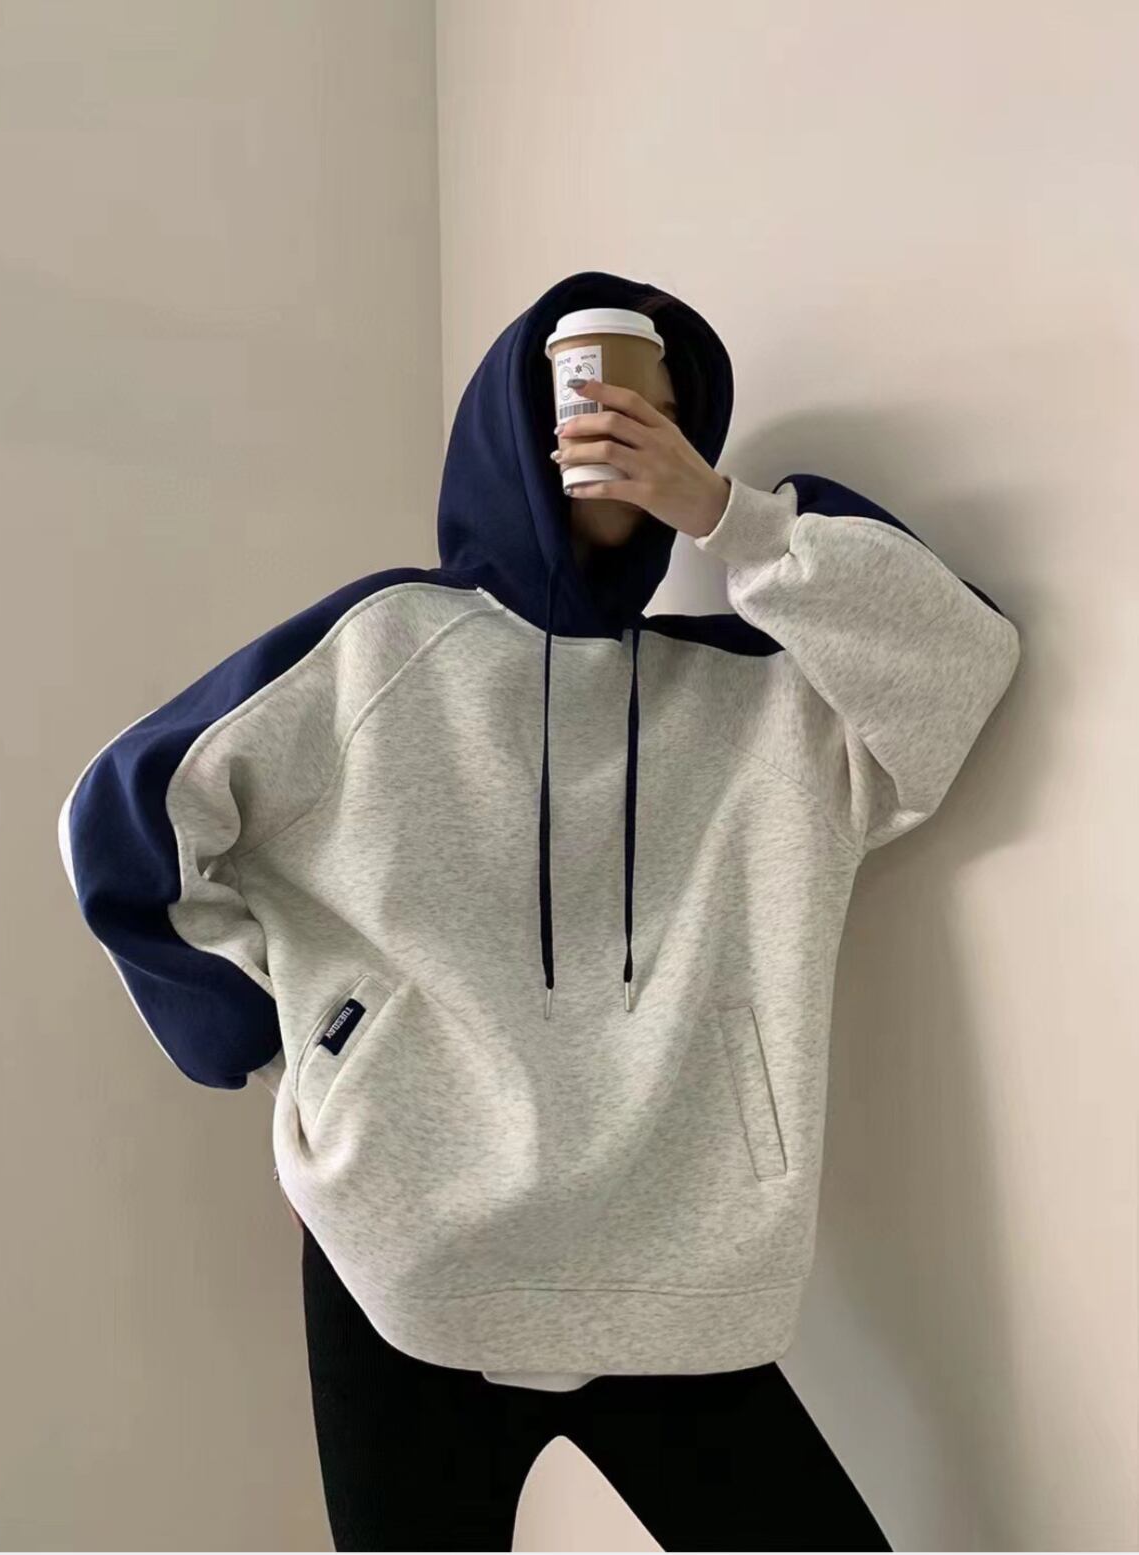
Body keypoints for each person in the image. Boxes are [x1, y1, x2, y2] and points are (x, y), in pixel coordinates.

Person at [59, 268, 1020, 1550]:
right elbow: (122, 826)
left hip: (684, 1269)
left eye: (656, 404)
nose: (617, 421)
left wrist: (726, 516)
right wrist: (314, 1052)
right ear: (520, 417)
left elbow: (960, 667)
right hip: (407, 1259)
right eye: (585, 390)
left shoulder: (773, 703)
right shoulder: (382, 647)